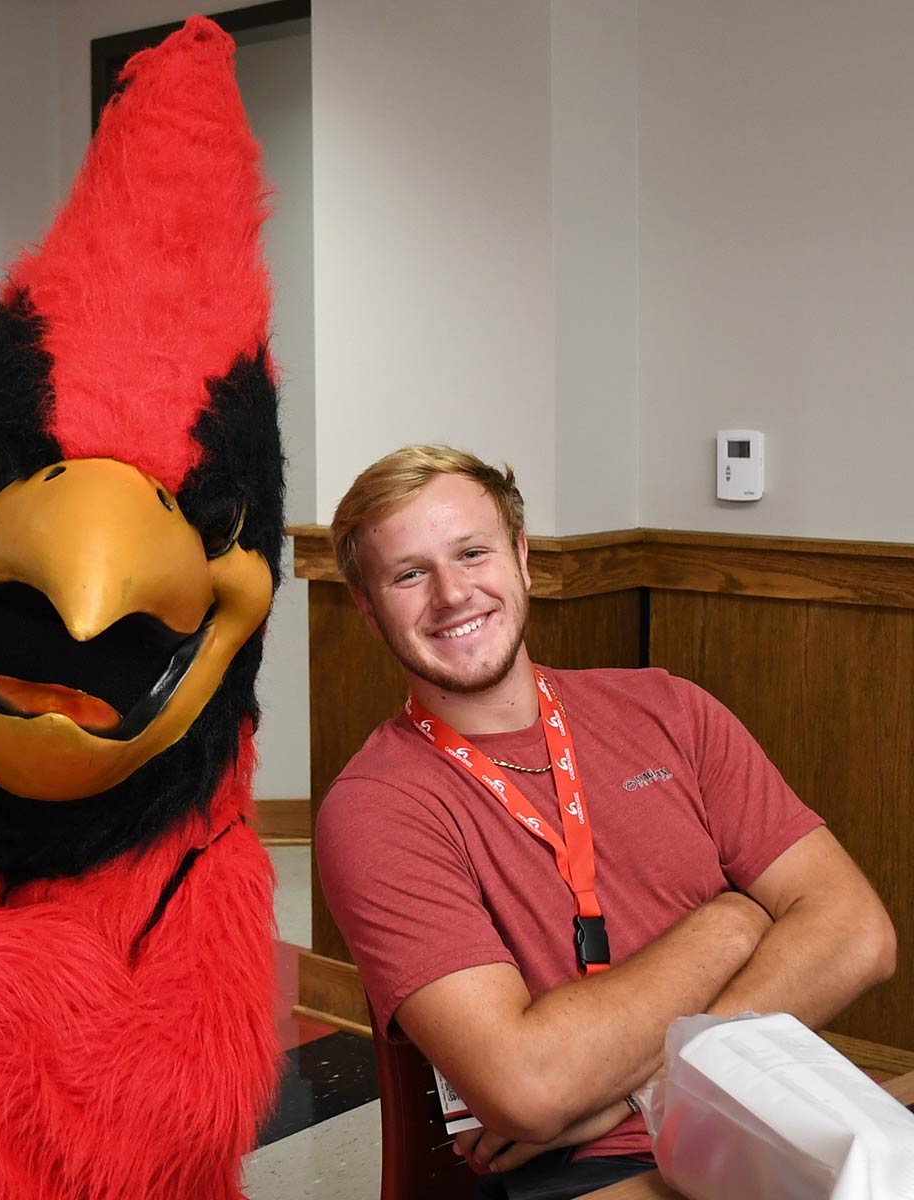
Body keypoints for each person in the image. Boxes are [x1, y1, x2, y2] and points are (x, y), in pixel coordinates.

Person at [315, 445, 896, 1200]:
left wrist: (642, 1088)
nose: (454, 594)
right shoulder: (376, 808)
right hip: (586, 1171)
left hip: (768, 1108)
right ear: (367, 607)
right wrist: (734, 921)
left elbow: (858, 934)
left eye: (472, 552)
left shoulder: (668, 708)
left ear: (522, 559)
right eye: (409, 574)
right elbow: (528, 1088)